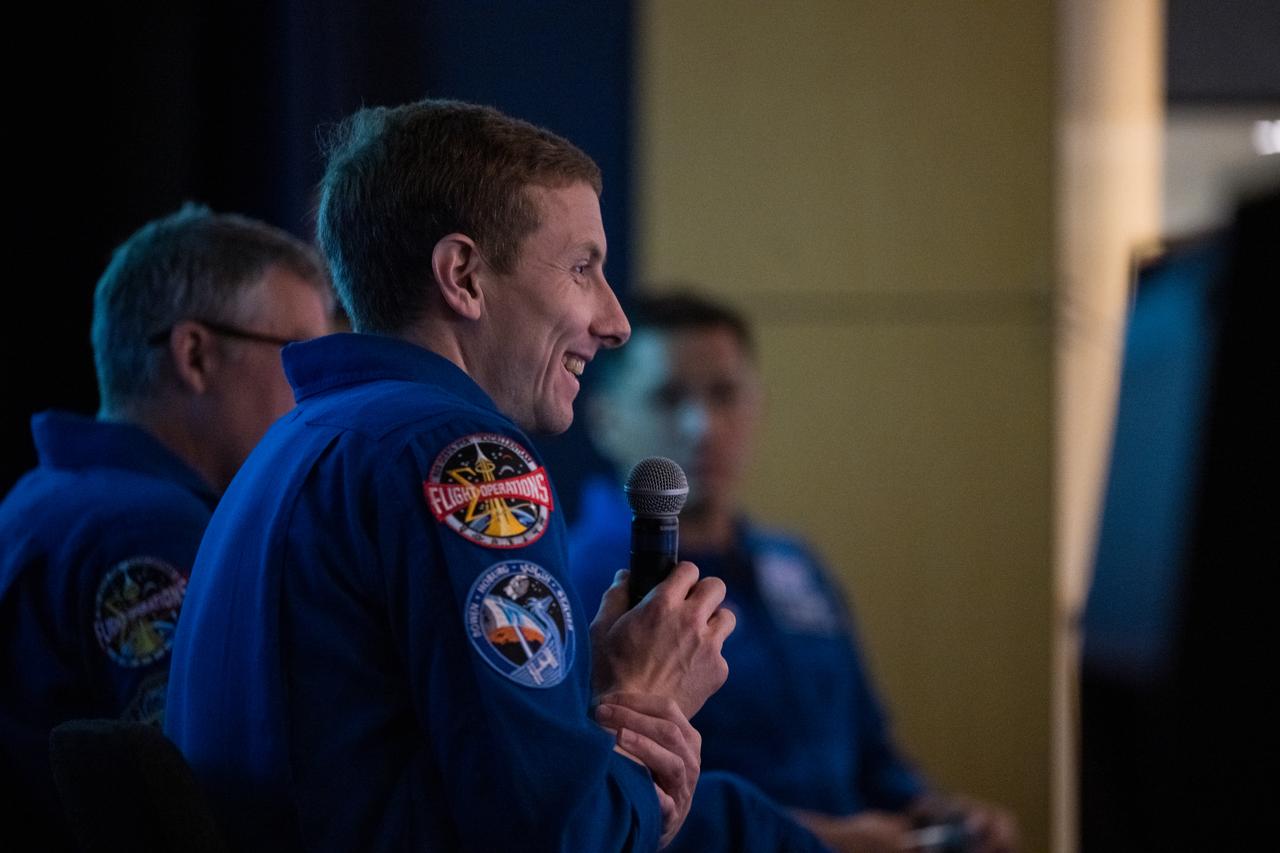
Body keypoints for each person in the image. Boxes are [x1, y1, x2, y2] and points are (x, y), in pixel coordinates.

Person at [164, 100, 737, 852]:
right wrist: (644, 704)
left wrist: (581, 687)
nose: (614, 321)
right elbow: (558, 838)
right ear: (463, 275)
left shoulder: (293, 443)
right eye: (582, 269)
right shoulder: (467, 460)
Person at [571, 292, 1021, 853]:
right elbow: (597, 799)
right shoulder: (582, 584)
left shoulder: (794, 566)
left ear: (756, 406)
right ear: (606, 419)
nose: (701, 425)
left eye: (724, 395)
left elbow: (868, 749)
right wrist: (822, 841)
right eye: (668, 398)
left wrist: (931, 813)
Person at [0, 204, 333, 845]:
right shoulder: (150, 530)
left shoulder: (41, 497)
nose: (314, 388)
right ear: (195, 355)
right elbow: (199, 794)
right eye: (298, 353)